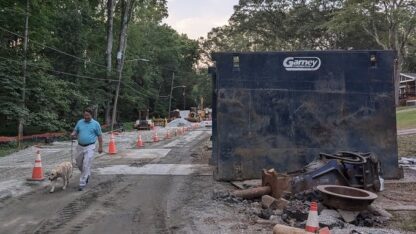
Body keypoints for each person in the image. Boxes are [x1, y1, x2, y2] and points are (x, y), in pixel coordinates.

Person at [71, 108, 103, 191]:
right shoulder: (80, 122)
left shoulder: (96, 124)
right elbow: (76, 131)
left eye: (88, 115)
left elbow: (99, 136)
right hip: (80, 146)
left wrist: (100, 147)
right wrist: (73, 134)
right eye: (85, 115)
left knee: (86, 164)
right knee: (79, 164)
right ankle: (87, 174)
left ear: (91, 115)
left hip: (90, 146)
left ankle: (82, 183)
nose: (86, 117)